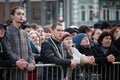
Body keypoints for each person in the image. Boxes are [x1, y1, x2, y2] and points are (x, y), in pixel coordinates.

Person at [1, 6, 35, 80]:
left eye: (23, 14)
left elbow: (30, 51)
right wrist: (26, 64)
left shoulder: (25, 33)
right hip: (12, 72)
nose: (21, 16)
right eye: (18, 14)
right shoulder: (7, 32)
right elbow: (9, 52)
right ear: (12, 16)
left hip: (24, 72)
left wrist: (32, 63)